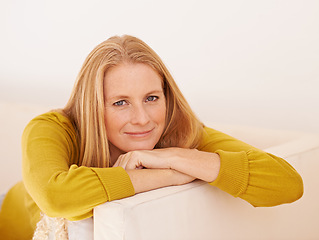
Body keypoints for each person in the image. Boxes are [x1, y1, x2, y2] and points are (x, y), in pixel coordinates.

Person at [0, 35, 303, 239]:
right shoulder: (52, 128)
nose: (143, 119)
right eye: (120, 102)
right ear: (92, 107)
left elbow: (287, 183)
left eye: (152, 98)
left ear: (167, 97)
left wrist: (172, 156)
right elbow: (56, 196)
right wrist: (169, 175)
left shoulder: (180, 130)